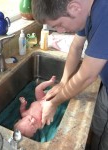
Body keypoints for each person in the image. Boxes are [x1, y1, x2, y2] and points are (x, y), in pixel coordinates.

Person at [32, 0, 108, 149]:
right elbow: (76, 47)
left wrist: (54, 102)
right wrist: (63, 82)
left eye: (59, 24)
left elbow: (87, 76)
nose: (59, 31)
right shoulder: (87, 12)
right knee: (97, 128)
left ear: (74, 7)